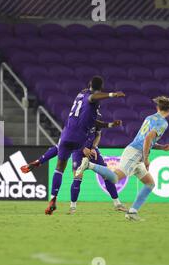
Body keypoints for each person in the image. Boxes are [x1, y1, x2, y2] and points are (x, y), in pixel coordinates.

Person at [76, 96, 169, 221]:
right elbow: (148, 138)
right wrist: (146, 158)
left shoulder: (150, 118)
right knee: (115, 178)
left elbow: (146, 140)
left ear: (157, 107)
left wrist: (161, 148)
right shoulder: (163, 123)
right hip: (136, 153)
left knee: (150, 184)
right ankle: (89, 165)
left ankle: (132, 213)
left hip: (136, 152)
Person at [46, 76, 125, 215]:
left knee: (106, 174)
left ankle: (117, 203)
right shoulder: (90, 101)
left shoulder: (88, 106)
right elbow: (92, 98)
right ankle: (72, 207)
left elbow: (98, 130)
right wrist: (112, 94)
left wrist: (109, 127)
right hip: (79, 146)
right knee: (78, 177)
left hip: (91, 148)